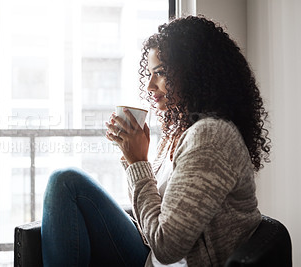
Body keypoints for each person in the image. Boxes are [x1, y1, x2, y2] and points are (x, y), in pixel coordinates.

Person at [41, 15, 271, 266]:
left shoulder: (211, 137)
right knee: (65, 181)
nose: (150, 85)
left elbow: (166, 247)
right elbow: (150, 225)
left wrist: (138, 162)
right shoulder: (178, 134)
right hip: (150, 258)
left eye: (159, 73)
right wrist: (131, 159)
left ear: (195, 71)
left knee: (65, 181)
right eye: (149, 74)